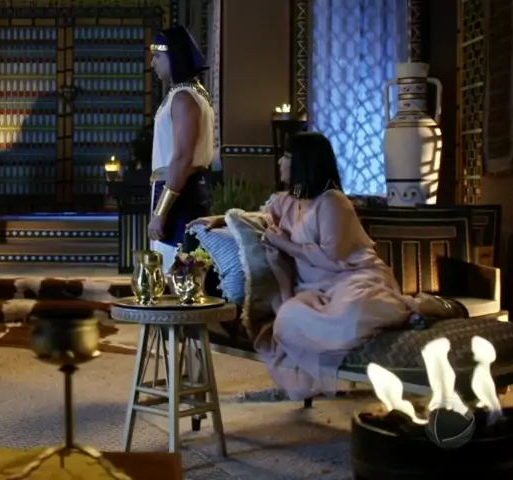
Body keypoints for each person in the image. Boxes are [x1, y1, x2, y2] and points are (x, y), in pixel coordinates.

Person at [189, 133, 418, 400]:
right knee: (287, 318)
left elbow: (331, 258)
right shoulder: (287, 200)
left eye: (286, 156)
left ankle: (415, 308)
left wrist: (284, 244)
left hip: (351, 278)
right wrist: (220, 220)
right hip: (313, 290)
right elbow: (261, 218)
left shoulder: (332, 202)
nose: (280, 162)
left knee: (352, 312)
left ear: (304, 162)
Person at [147, 25, 215, 273]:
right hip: (176, 188)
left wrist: (161, 211)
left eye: (157, 56)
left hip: (181, 193)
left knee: (176, 271)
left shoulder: (184, 97)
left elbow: (183, 157)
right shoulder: (185, 94)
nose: (152, 63)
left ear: (173, 56)